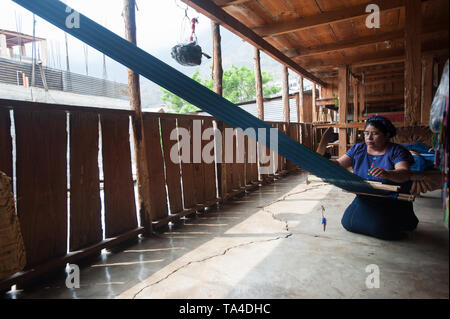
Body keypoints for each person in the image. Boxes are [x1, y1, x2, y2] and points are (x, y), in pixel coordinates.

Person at [332, 115, 419, 240]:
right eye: (366, 133)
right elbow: (340, 164)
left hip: (390, 199)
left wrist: (387, 174)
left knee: (381, 229)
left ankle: (402, 220)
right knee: (348, 223)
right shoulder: (358, 149)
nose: (369, 138)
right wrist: (323, 163)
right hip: (366, 196)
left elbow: (404, 173)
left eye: (375, 133)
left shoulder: (396, 151)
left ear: (387, 135)